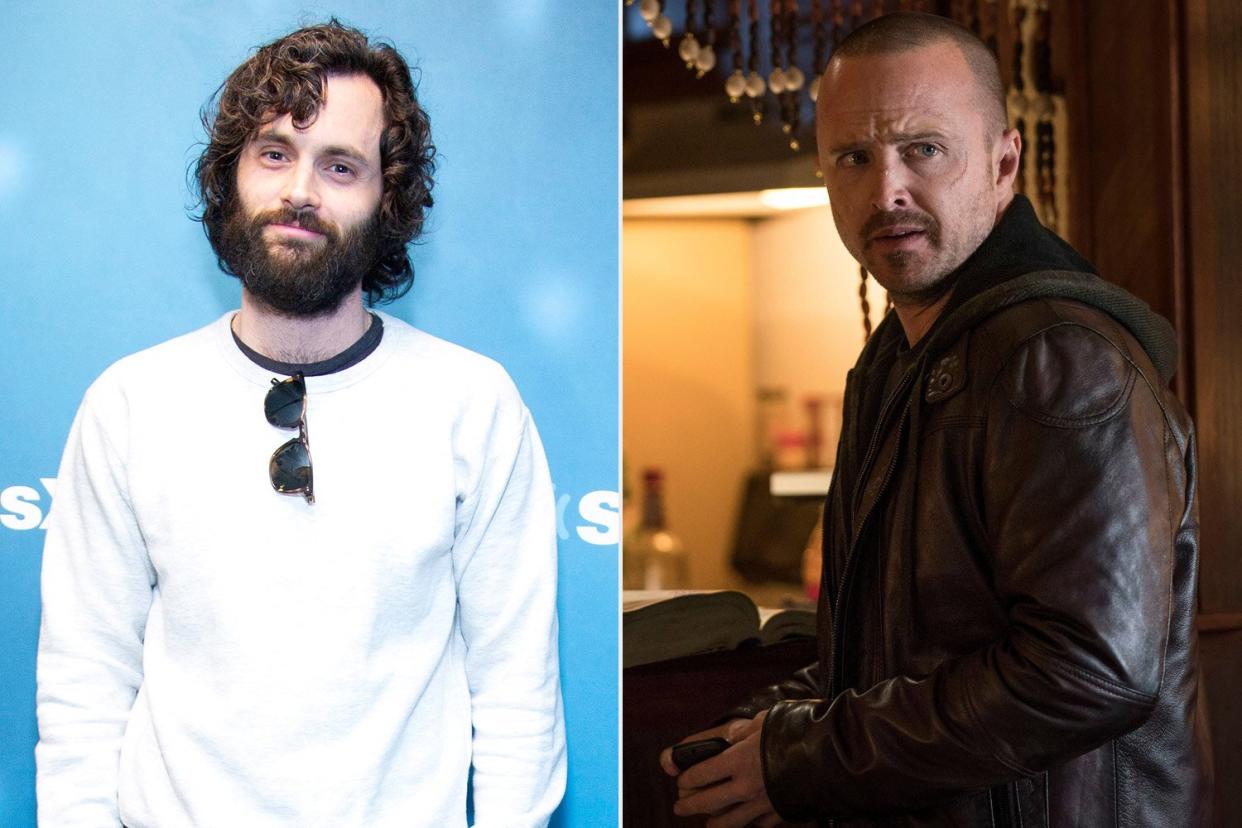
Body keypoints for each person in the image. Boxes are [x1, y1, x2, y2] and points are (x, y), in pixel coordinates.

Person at [661, 12, 1211, 827]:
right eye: (854, 158)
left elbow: (1089, 671)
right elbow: (898, 660)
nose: (886, 190)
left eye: (923, 149)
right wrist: (770, 732)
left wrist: (805, 758)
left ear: (1002, 163)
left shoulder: (1058, 360)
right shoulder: (902, 356)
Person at [36, 21, 565, 827]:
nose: (300, 191)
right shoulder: (131, 402)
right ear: (233, 176)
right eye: (275, 152)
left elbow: (516, 689)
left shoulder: (473, 402)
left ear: (388, 199)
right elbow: (84, 681)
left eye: (341, 165)